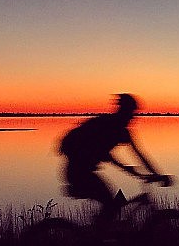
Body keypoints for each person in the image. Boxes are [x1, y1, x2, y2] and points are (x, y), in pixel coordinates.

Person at [59, 94, 171, 222]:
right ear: (123, 111)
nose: (133, 117)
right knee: (110, 203)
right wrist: (128, 169)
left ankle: (102, 229)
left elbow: (140, 156)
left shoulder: (121, 131)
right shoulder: (108, 126)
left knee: (112, 204)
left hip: (82, 171)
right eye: (131, 112)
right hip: (78, 172)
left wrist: (155, 173)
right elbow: (102, 153)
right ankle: (97, 233)